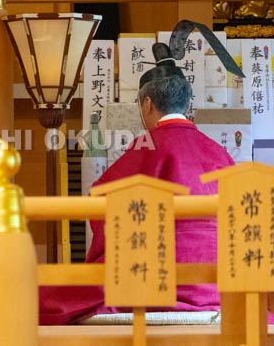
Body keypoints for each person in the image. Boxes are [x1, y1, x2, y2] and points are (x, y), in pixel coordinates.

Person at [39, 22, 241, 325]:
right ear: (187, 105)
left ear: (147, 104)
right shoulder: (219, 153)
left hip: (152, 274)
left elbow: (102, 201)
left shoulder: (145, 146)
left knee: (44, 298)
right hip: (218, 280)